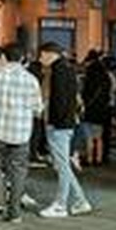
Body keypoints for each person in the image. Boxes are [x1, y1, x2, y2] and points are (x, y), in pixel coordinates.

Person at [0, 44, 43, 223]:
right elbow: (38, 108)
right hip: (21, 132)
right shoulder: (31, 79)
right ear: (23, 58)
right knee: (19, 170)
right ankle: (15, 211)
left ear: (4, 57)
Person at [36, 42, 93, 218]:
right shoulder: (67, 69)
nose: (39, 59)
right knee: (63, 164)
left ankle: (61, 204)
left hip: (59, 125)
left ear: (49, 54)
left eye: (41, 55)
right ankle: (80, 201)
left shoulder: (58, 71)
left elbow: (59, 99)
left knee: (61, 165)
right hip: (64, 123)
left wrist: (54, 121)